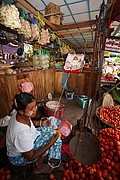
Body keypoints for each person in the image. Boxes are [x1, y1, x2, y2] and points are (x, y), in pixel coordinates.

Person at [6, 92, 62, 174]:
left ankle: (40, 160)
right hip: (18, 158)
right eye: (31, 109)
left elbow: (29, 121)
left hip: (28, 140)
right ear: (21, 111)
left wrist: (39, 123)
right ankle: (44, 166)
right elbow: (30, 157)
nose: (35, 109)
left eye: (35, 106)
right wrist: (50, 143)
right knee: (56, 140)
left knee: (49, 128)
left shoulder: (18, 114)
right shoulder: (22, 133)